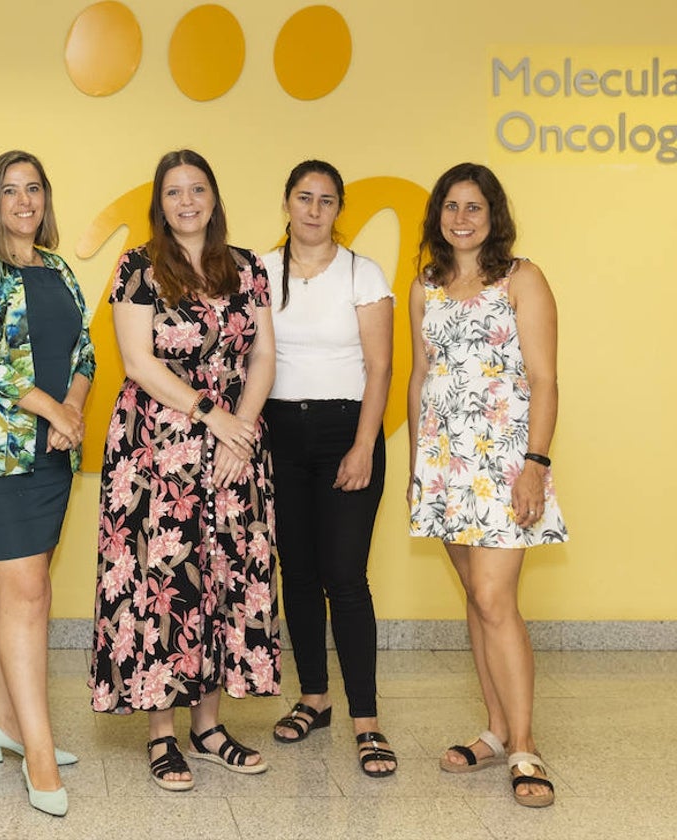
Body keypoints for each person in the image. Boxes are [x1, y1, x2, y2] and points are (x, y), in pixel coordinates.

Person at [90, 149, 279, 792]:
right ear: (160, 204)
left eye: (198, 189)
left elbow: (263, 359)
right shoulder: (139, 267)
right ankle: (162, 733)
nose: (188, 201)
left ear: (214, 197)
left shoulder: (248, 267)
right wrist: (210, 415)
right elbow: (138, 362)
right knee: (164, 581)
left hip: (235, 448)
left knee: (224, 577)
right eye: (175, 192)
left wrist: (241, 432)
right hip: (157, 448)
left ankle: (210, 727)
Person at [408, 162, 567, 808]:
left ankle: (525, 744)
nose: (462, 218)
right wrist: (422, 469)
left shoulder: (522, 279)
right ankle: (496, 731)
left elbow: (546, 379)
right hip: (445, 470)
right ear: (438, 216)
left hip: (506, 467)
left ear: (493, 215)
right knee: (476, 597)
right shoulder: (427, 286)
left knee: (497, 598)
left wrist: (536, 463)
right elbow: (421, 378)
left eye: (474, 207)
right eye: (451, 206)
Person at [0, 150, 94, 817]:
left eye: (34, 187)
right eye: (11, 189)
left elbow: (85, 350)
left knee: (21, 593)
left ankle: (4, 720)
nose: (24, 199)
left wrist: (75, 411)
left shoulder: (58, 267)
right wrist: (53, 409)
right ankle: (37, 748)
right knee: (25, 594)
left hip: (52, 453)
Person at [261, 160, 397, 777]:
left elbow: (381, 367)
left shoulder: (362, 274)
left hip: (349, 433)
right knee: (299, 570)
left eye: (326, 200)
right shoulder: (260, 271)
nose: (314, 210)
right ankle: (313, 698)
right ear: (286, 203)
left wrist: (365, 444)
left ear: (339, 209)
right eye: (303, 197)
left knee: (344, 575)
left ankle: (366, 719)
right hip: (279, 436)